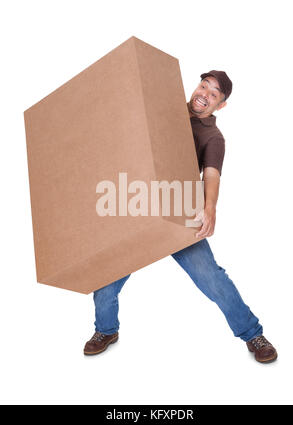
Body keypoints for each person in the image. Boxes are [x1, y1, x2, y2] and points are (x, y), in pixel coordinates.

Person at [84, 70, 277, 364]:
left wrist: (210, 207)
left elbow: (211, 175)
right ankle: (106, 330)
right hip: (137, 203)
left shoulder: (213, 137)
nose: (205, 94)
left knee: (211, 277)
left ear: (220, 105)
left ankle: (253, 334)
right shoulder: (163, 108)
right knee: (107, 274)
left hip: (179, 212)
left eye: (214, 94)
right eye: (204, 86)